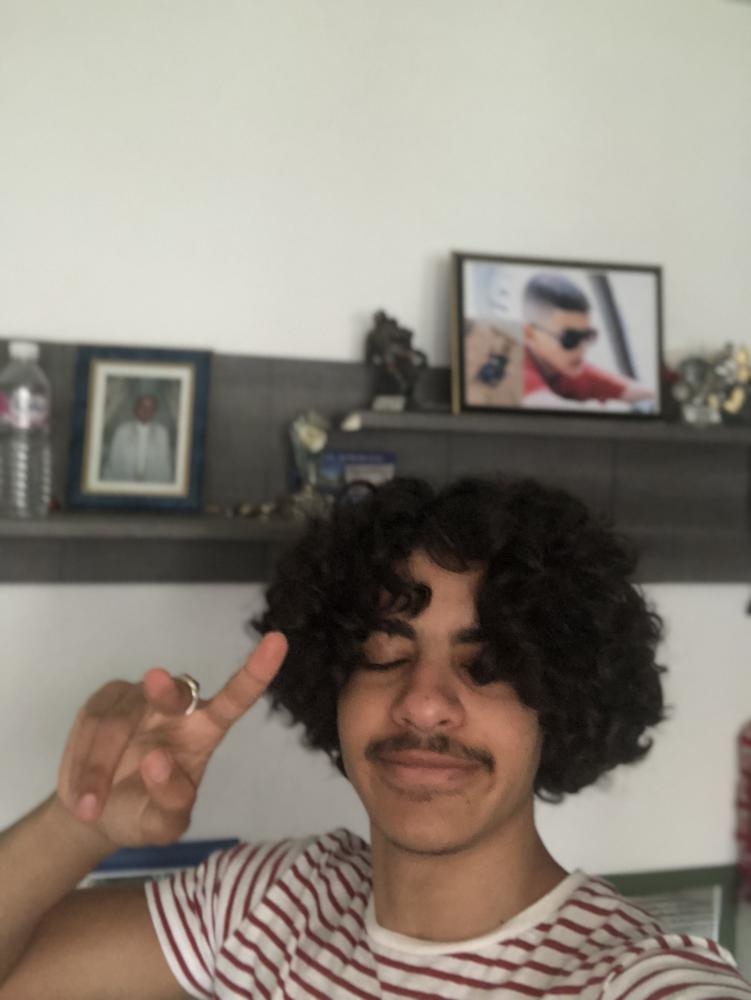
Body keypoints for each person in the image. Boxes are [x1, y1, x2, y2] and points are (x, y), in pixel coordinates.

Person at [1, 476, 750, 999]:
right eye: (385, 653)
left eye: (487, 666)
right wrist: (82, 820)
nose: (422, 705)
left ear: (559, 700)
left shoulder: (632, 981)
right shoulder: (271, 902)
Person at [522, 272, 655, 409]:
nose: (582, 348)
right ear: (530, 334)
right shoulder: (514, 364)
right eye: (570, 338)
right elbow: (540, 403)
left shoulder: (565, 367)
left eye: (587, 336)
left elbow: (633, 390)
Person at [101, 392, 174, 483]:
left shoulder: (162, 433)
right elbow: (114, 461)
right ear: (135, 409)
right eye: (142, 406)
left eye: (151, 408)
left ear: (154, 411)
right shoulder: (122, 430)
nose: (146, 411)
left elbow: (164, 465)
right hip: (125, 482)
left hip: (152, 483)